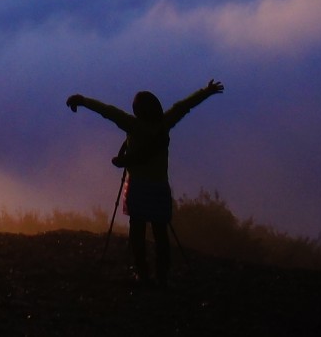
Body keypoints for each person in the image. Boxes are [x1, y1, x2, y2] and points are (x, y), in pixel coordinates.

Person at [68, 79, 223, 286]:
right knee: (160, 232)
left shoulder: (131, 124)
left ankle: (142, 273)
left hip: (137, 187)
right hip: (159, 187)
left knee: (137, 230)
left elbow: (108, 111)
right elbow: (185, 106)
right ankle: (162, 275)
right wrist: (207, 91)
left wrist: (83, 100)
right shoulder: (164, 123)